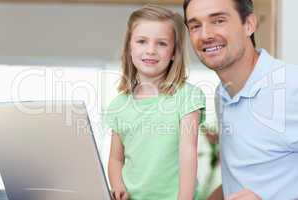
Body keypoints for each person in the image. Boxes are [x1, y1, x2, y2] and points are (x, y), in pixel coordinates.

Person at [183, 0, 298, 199]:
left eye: (218, 20)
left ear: (249, 25)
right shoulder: (222, 95)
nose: (206, 35)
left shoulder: (291, 86)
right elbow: (242, 179)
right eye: (195, 26)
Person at [104, 4, 206, 200]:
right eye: (142, 41)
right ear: (129, 49)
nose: (151, 50)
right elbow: (116, 159)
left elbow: (188, 152)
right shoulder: (119, 105)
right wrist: (118, 187)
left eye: (161, 43)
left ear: (174, 52)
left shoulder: (187, 96)